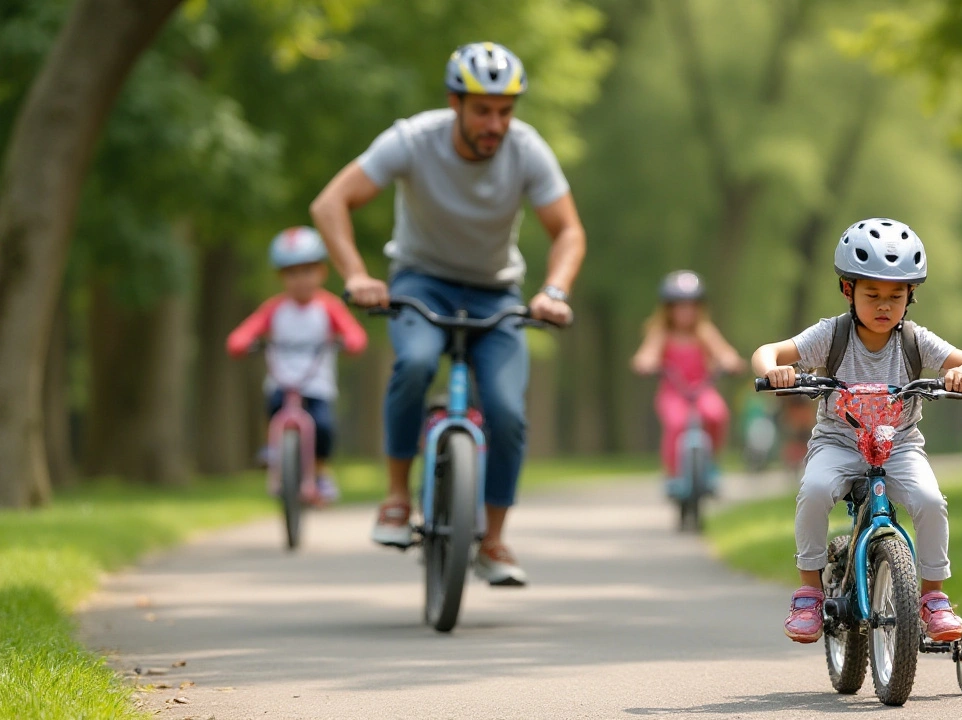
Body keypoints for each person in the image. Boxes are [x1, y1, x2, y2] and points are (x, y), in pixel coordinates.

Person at [309, 42, 584, 587]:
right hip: (421, 282)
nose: (495, 124)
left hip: (496, 291)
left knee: (506, 408)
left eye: (506, 111)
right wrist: (358, 276)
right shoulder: (413, 139)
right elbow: (329, 203)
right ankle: (394, 497)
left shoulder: (527, 150)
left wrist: (554, 289)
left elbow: (569, 231)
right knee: (412, 363)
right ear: (454, 103)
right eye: (483, 109)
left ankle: (495, 539)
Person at [751, 218, 962, 644]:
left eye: (896, 296)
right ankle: (808, 591)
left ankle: (933, 599)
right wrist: (776, 371)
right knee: (816, 490)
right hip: (838, 443)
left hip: (900, 446)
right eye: (872, 294)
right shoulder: (832, 335)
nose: (884, 305)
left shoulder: (915, 341)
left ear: (910, 296)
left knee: (931, 501)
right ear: (848, 291)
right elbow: (767, 351)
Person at [227, 226, 368, 504]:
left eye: (307, 271)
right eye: (292, 273)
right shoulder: (274, 308)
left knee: (324, 427)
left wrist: (351, 341)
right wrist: (242, 341)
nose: (300, 279)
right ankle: (275, 449)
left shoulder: (329, 307)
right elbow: (247, 331)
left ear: (321, 272)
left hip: (316, 383)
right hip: (283, 379)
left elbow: (354, 333)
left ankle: (320, 471)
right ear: (281, 276)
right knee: (273, 407)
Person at [631, 271, 745, 497]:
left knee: (717, 414)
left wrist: (730, 361)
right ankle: (673, 473)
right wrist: (645, 362)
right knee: (676, 423)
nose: (686, 312)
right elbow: (647, 354)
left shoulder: (704, 332)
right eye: (679, 306)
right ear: (668, 309)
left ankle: (711, 465)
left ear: (699, 308)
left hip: (701, 390)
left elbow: (723, 352)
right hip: (674, 393)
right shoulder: (662, 333)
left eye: (691, 306)